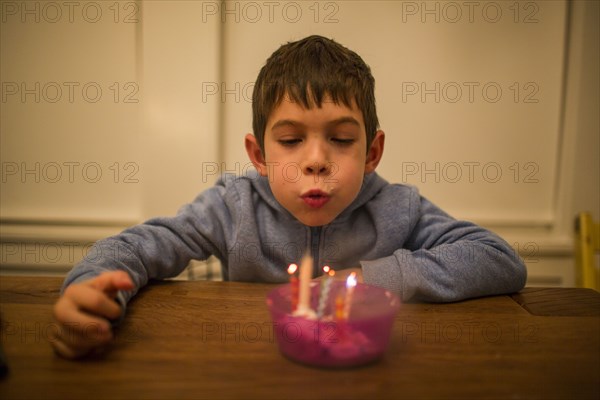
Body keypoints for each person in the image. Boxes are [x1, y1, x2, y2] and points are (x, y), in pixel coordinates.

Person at [52, 35, 527, 358]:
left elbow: (498, 259)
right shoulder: (232, 207)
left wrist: (374, 278)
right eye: (291, 140)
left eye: (341, 140)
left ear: (372, 152)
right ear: (258, 154)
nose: (316, 160)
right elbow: (135, 247)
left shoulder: (398, 208)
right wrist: (89, 285)